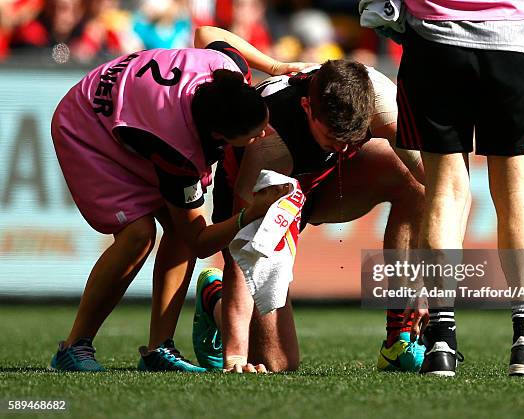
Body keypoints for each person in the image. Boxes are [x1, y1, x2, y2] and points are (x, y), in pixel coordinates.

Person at [49, 25, 308, 372]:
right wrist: (252, 214)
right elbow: (199, 242)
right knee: (139, 236)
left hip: (130, 111)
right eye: (256, 133)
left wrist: (274, 66)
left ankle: (159, 350)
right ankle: (74, 346)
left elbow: (207, 32)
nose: (267, 134)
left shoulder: (227, 69)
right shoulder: (179, 153)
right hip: (86, 128)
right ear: (219, 136)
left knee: (176, 229)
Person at [190, 57, 436, 373]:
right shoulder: (270, 146)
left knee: (412, 181)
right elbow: (243, 249)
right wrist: (236, 356)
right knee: (277, 363)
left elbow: (438, 189)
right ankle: (214, 296)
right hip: (269, 201)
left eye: (351, 139)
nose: (344, 146)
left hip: (323, 184)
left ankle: (399, 336)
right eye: (333, 138)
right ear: (307, 107)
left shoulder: (381, 100)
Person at [386, 0, 524, 377]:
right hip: (511, 42)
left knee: (444, 193)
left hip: (434, 42)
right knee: (517, 200)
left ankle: (441, 342)